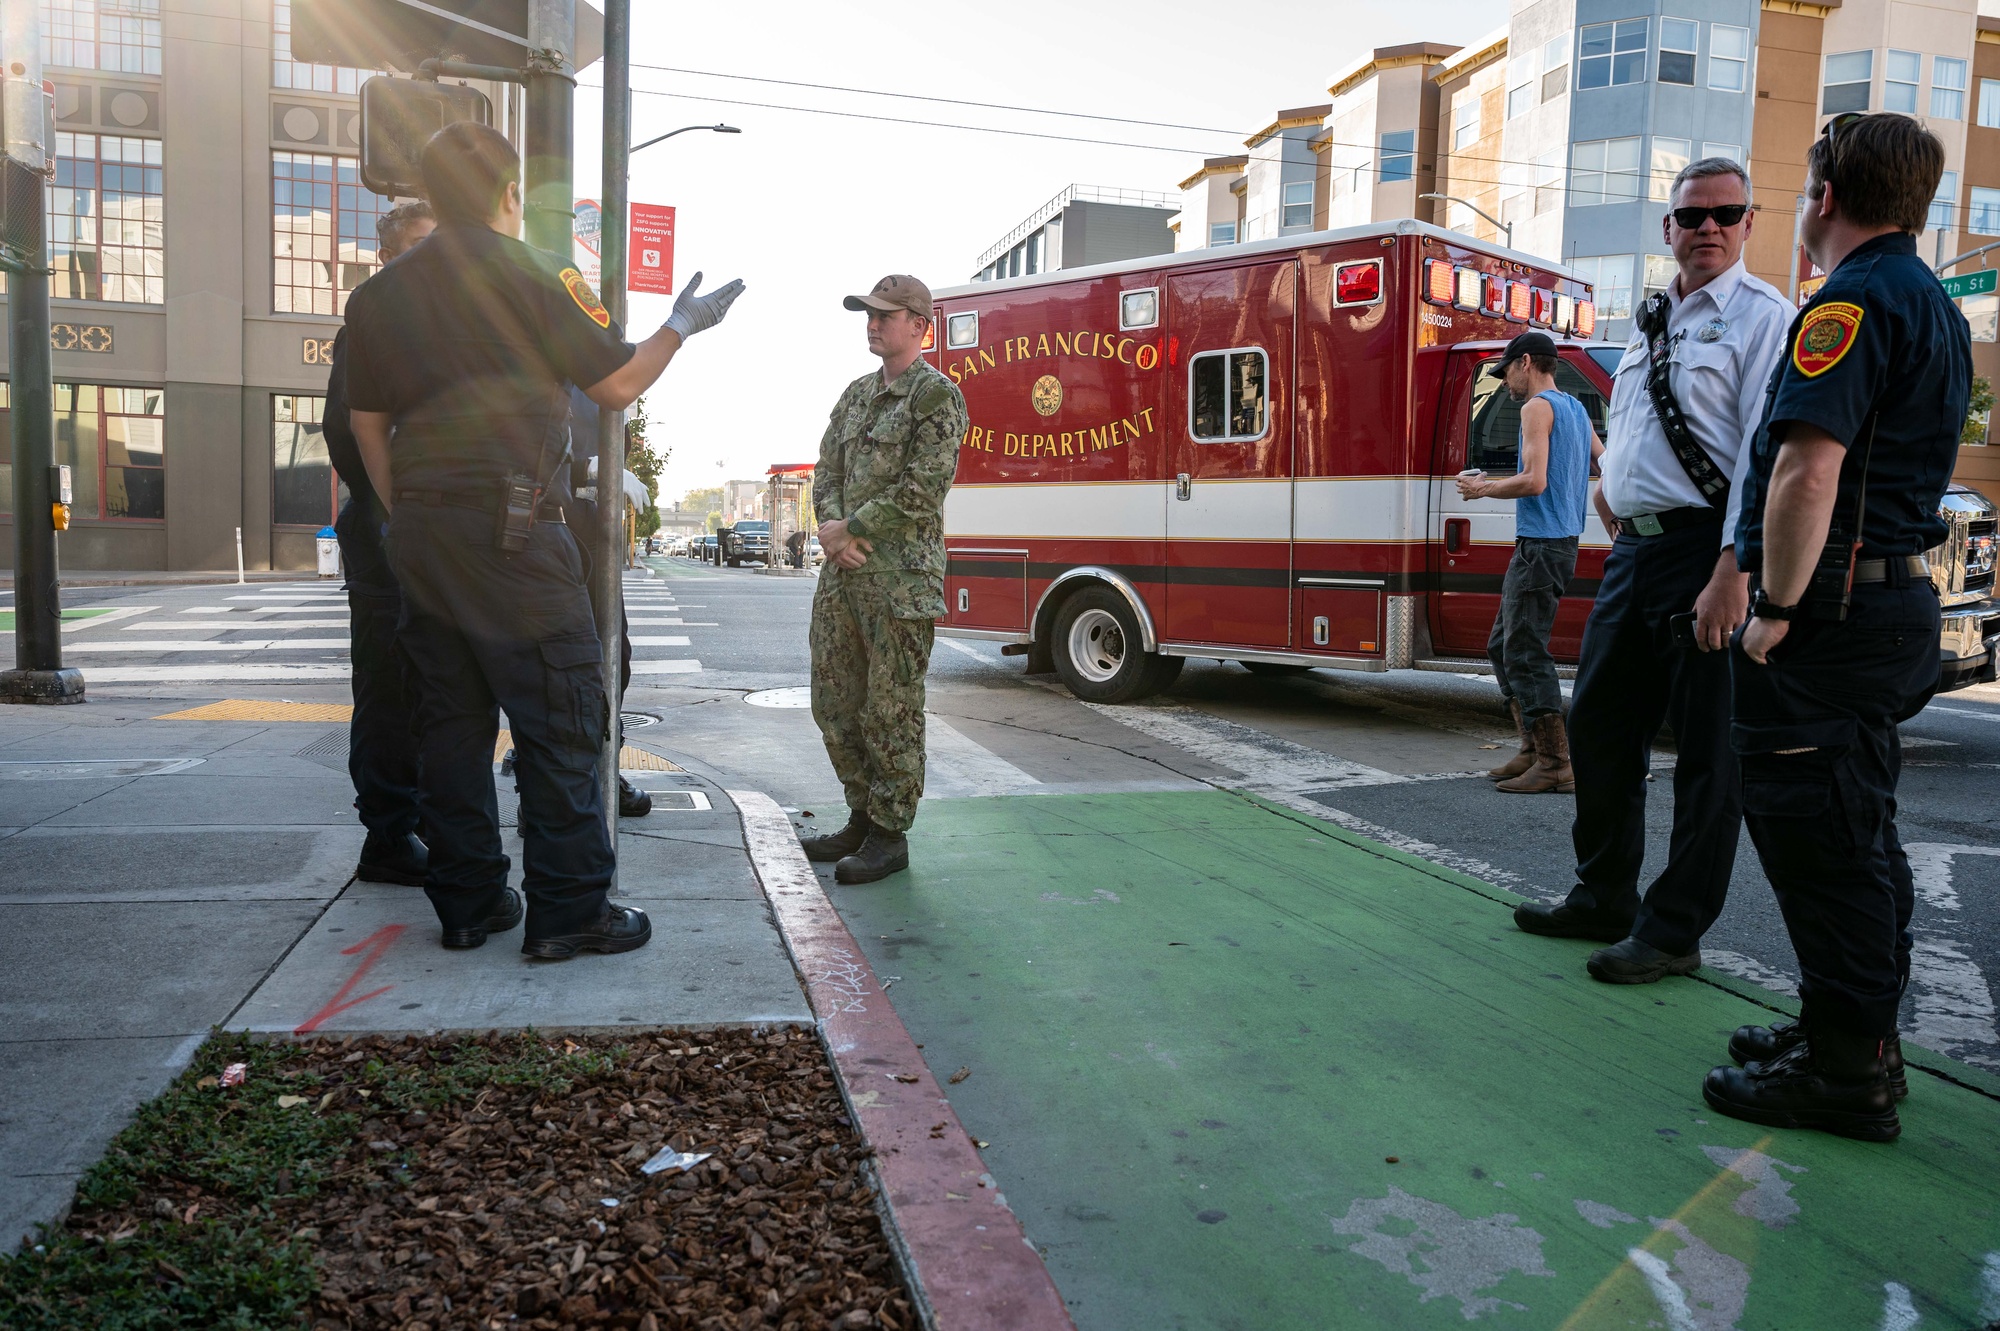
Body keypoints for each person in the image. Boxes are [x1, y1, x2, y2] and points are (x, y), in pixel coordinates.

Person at [343, 121, 743, 956]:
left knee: (447, 724)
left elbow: (367, 423)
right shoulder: (533, 274)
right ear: (508, 195)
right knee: (561, 717)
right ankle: (568, 908)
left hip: (419, 530)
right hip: (515, 531)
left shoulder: (379, 295)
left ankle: (469, 902)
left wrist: (407, 508)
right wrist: (680, 325)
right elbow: (618, 379)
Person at [1704, 112, 1968, 1142]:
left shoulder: (1851, 301)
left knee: (1824, 842)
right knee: (1852, 829)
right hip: (1884, 601)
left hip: (1834, 611)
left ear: (1821, 197)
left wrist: (1770, 607)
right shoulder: (1928, 299)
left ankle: (1845, 1071)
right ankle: (1840, 1033)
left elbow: (1804, 466)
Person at [1515, 158, 1793, 987]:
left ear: (1748, 225)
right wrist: (1610, 480)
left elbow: (1763, 452)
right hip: (1634, 552)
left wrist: (1734, 569)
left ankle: (1674, 928)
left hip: (1706, 551)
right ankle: (1605, 895)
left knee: (1709, 753)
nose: (1707, 227)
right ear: (1667, 228)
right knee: (1599, 724)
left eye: (1725, 213)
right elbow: (1639, 417)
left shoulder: (1764, 317)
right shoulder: (1651, 316)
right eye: (1691, 215)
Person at [799, 275, 967, 883]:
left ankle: (890, 836)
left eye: (886, 315)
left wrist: (854, 530)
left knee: (890, 711)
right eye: (868, 315)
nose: (872, 324)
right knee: (834, 703)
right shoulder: (855, 396)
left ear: (920, 326)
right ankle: (860, 817)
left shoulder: (937, 398)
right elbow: (826, 470)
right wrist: (829, 525)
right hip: (844, 580)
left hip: (899, 582)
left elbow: (924, 488)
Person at [322, 200, 436, 886]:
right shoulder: (370, 318)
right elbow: (348, 431)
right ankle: (388, 834)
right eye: (417, 249)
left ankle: (417, 815)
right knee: (390, 683)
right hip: (387, 534)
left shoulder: (435, 325)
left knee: (431, 681)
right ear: (388, 259)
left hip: (430, 531)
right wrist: (396, 511)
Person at [1456, 331, 1594, 794]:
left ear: (1527, 363)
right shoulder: (1575, 408)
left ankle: (1556, 761)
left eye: (1507, 372)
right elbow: (1606, 461)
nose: (1506, 383)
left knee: (1525, 649)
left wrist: (1481, 489)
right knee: (1502, 644)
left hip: (1542, 544)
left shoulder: (1537, 407)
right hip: (1559, 543)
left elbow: (1534, 482)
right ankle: (1534, 747)